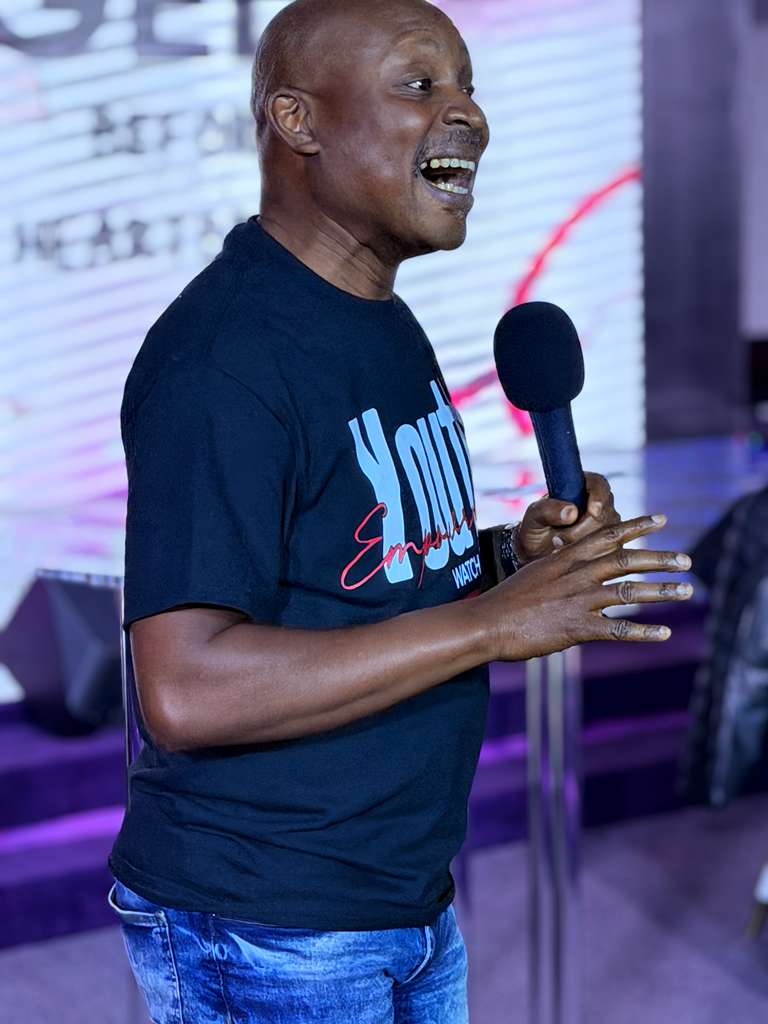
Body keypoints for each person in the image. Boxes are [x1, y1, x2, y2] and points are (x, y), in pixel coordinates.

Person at [106, 0, 694, 1021]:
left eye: (467, 85)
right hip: (268, 923)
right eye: (420, 85)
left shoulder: (375, 315)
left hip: (399, 899)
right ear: (298, 120)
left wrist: (506, 560)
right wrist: (491, 624)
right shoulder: (223, 360)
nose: (467, 113)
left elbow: (364, 573)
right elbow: (188, 689)